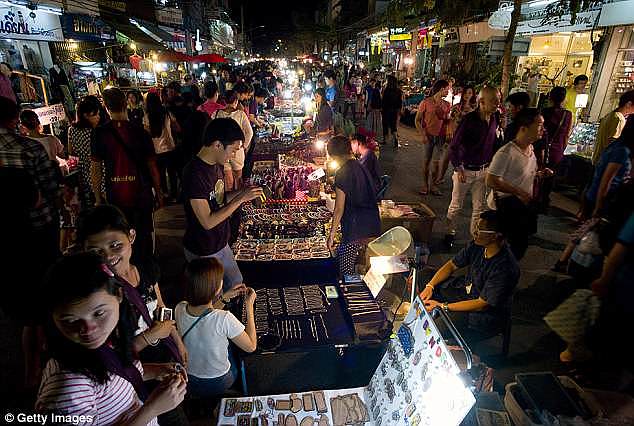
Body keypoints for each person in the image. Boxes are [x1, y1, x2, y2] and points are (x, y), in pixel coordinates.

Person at [35, 252, 186, 424]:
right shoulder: (68, 390)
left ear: (119, 295)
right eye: (70, 320)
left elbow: (115, 376)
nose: (88, 330)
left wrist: (155, 370)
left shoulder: (106, 340)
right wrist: (152, 409)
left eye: (99, 313)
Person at [0, 97, 61, 387]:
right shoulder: (29, 148)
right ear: (15, 120)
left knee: (23, 309)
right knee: (45, 298)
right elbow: (50, 189)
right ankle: (47, 364)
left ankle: (30, 370)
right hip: (37, 233)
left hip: (7, 241)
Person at [182, 118, 263, 290]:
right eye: (233, 150)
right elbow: (207, 221)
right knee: (213, 300)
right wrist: (240, 199)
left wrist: (244, 192)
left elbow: (218, 198)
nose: (233, 156)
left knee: (236, 284)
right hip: (204, 249)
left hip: (219, 243)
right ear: (217, 145)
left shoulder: (215, 164)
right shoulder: (194, 174)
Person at [420, 211, 520, 341]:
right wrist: (430, 286)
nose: (475, 232)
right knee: (424, 275)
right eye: (477, 227)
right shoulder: (478, 245)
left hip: (485, 313)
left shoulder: (505, 267)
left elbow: (481, 304)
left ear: (495, 236)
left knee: (436, 327)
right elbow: (451, 265)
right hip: (467, 291)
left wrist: (443, 306)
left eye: (480, 230)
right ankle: (425, 311)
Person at [91, 87, 163, 262]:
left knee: (121, 236)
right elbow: (152, 166)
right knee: (144, 235)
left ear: (106, 108)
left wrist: (98, 196)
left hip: (115, 195)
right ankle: (146, 270)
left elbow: (96, 169)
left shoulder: (100, 134)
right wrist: (159, 192)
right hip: (141, 194)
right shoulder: (140, 132)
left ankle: (128, 269)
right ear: (125, 105)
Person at [175, 258, 257, 398]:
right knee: (237, 352)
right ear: (216, 288)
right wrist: (249, 306)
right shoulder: (224, 318)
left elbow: (205, 316)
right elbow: (251, 346)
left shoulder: (180, 307)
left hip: (189, 378)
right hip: (219, 381)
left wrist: (224, 298)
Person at [486, 108, 553, 260]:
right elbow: (491, 180)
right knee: (502, 252)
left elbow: (521, 175)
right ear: (524, 128)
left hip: (520, 208)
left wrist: (540, 174)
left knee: (516, 250)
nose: (543, 129)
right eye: (539, 124)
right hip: (504, 209)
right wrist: (519, 192)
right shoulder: (506, 152)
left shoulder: (531, 149)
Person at [445, 86, 501, 244]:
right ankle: (450, 232)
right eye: (494, 101)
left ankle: (475, 237)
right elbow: (454, 146)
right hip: (465, 170)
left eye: (499, 100)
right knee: (456, 205)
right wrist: (458, 166)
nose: (498, 104)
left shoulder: (495, 117)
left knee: (479, 206)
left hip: (483, 170)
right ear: (482, 102)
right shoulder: (469, 120)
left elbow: (494, 143)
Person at [327, 135, 381, 275]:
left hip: (356, 229)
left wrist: (332, 234)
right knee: (361, 267)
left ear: (334, 156)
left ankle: (349, 292)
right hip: (372, 225)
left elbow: (339, 208)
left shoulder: (342, 173)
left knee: (345, 268)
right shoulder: (360, 166)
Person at [583, 122, 633, 220]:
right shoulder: (622, 151)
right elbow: (607, 180)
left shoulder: (615, 144)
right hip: (601, 199)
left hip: (593, 195)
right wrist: (598, 208)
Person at [538, 87, 573, 208]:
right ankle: (545, 200)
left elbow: (540, 131)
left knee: (539, 173)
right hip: (557, 150)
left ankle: (537, 197)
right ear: (564, 98)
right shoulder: (567, 114)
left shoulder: (544, 112)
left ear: (550, 97)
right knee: (550, 176)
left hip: (543, 147)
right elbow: (567, 134)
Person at [416, 79, 451, 196]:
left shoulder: (447, 104)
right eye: (447, 89)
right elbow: (417, 120)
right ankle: (425, 185)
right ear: (441, 89)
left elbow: (446, 121)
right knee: (426, 161)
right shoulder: (426, 102)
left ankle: (433, 185)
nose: (448, 91)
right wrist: (422, 134)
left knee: (436, 163)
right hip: (428, 135)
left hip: (441, 136)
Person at [214, 90, 254, 190]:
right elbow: (249, 133)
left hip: (222, 151)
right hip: (237, 151)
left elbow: (212, 132)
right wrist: (243, 146)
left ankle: (230, 199)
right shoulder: (241, 114)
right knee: (238, 177)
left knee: (227, 179)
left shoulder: (217, 114)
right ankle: (238, 199)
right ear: (236, 101)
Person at [144, 91, 180, 203]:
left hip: (156, 149)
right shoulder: (167, 113)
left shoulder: (147, 116)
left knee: (160, 173)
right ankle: (174, 195)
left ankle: (164, 193)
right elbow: (177, 128)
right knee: (172, 173)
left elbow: (147, 133)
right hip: (170, 148)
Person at [68, 95, 102, 208]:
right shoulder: (95, 132)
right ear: (85, 115)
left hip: (83, 174)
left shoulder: (71, 130)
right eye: (95, 115)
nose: (98, 117)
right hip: (99, 173)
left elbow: (71, 151)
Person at [591, 90, 634, 165]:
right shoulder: (619, 119)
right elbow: (614, 144)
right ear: (629, 104)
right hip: (605, 163)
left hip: (597, 159)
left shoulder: (610, 115)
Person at [381, 75, 403, 148]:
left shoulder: (387, 90)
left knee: (385, 125)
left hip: (386, 110)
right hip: (394, 111)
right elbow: (400, 102)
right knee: (393, 126)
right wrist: (399, 110)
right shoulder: (398, 91)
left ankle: (385, 139)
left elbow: (384, 101)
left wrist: (382, 108)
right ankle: (395, 139)